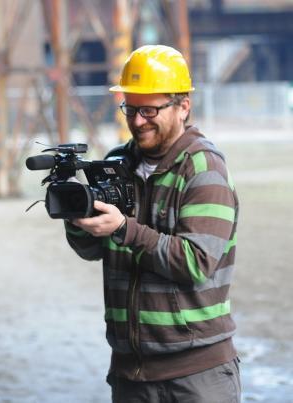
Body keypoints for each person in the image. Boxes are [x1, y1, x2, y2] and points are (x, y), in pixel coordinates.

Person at [65, 45, 240, 402]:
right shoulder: (116, 163)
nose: (137, 120)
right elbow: (93, 250)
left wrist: (123, 228)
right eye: (130, 108)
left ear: (183, 107)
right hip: (130, 373)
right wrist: (78, 221)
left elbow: (196, 263)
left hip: (196, 376)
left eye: (149, 110)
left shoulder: (204, 169)